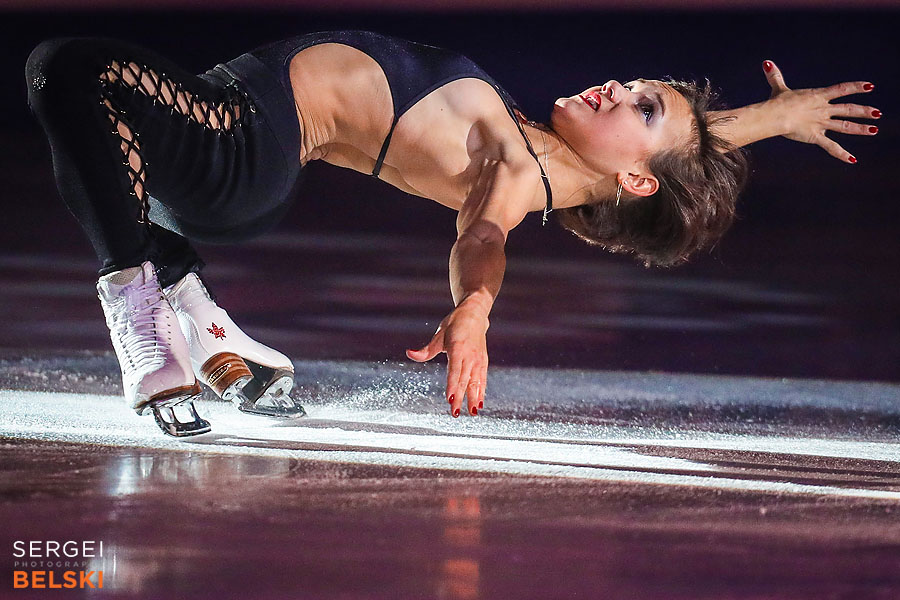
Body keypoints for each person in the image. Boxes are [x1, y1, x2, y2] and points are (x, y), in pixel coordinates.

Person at [24, 31, 880, 436]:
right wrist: (775, 115)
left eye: (639, 104)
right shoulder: (544, 143)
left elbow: (483, 238)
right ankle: (200, 318)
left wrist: (474, 306)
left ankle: (143, 319)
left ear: (635, 178)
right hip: (233, 114)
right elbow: (683, 143)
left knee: (71, 70)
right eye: (635, 80)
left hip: (250, 143)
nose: (619, 84)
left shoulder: (517, 167)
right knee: (98, 130)